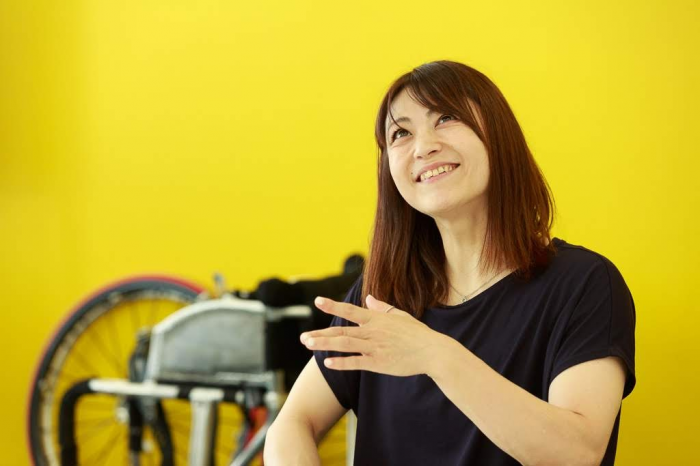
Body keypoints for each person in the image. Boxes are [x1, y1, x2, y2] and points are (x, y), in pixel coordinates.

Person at [264, 60, 636, 465]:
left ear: (498, 134)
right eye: (401, 133)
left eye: (446, 117)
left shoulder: (583, 284)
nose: (423, 146)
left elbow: (578, 453)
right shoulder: (385, 294)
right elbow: (293, 422)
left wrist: (436, 356)